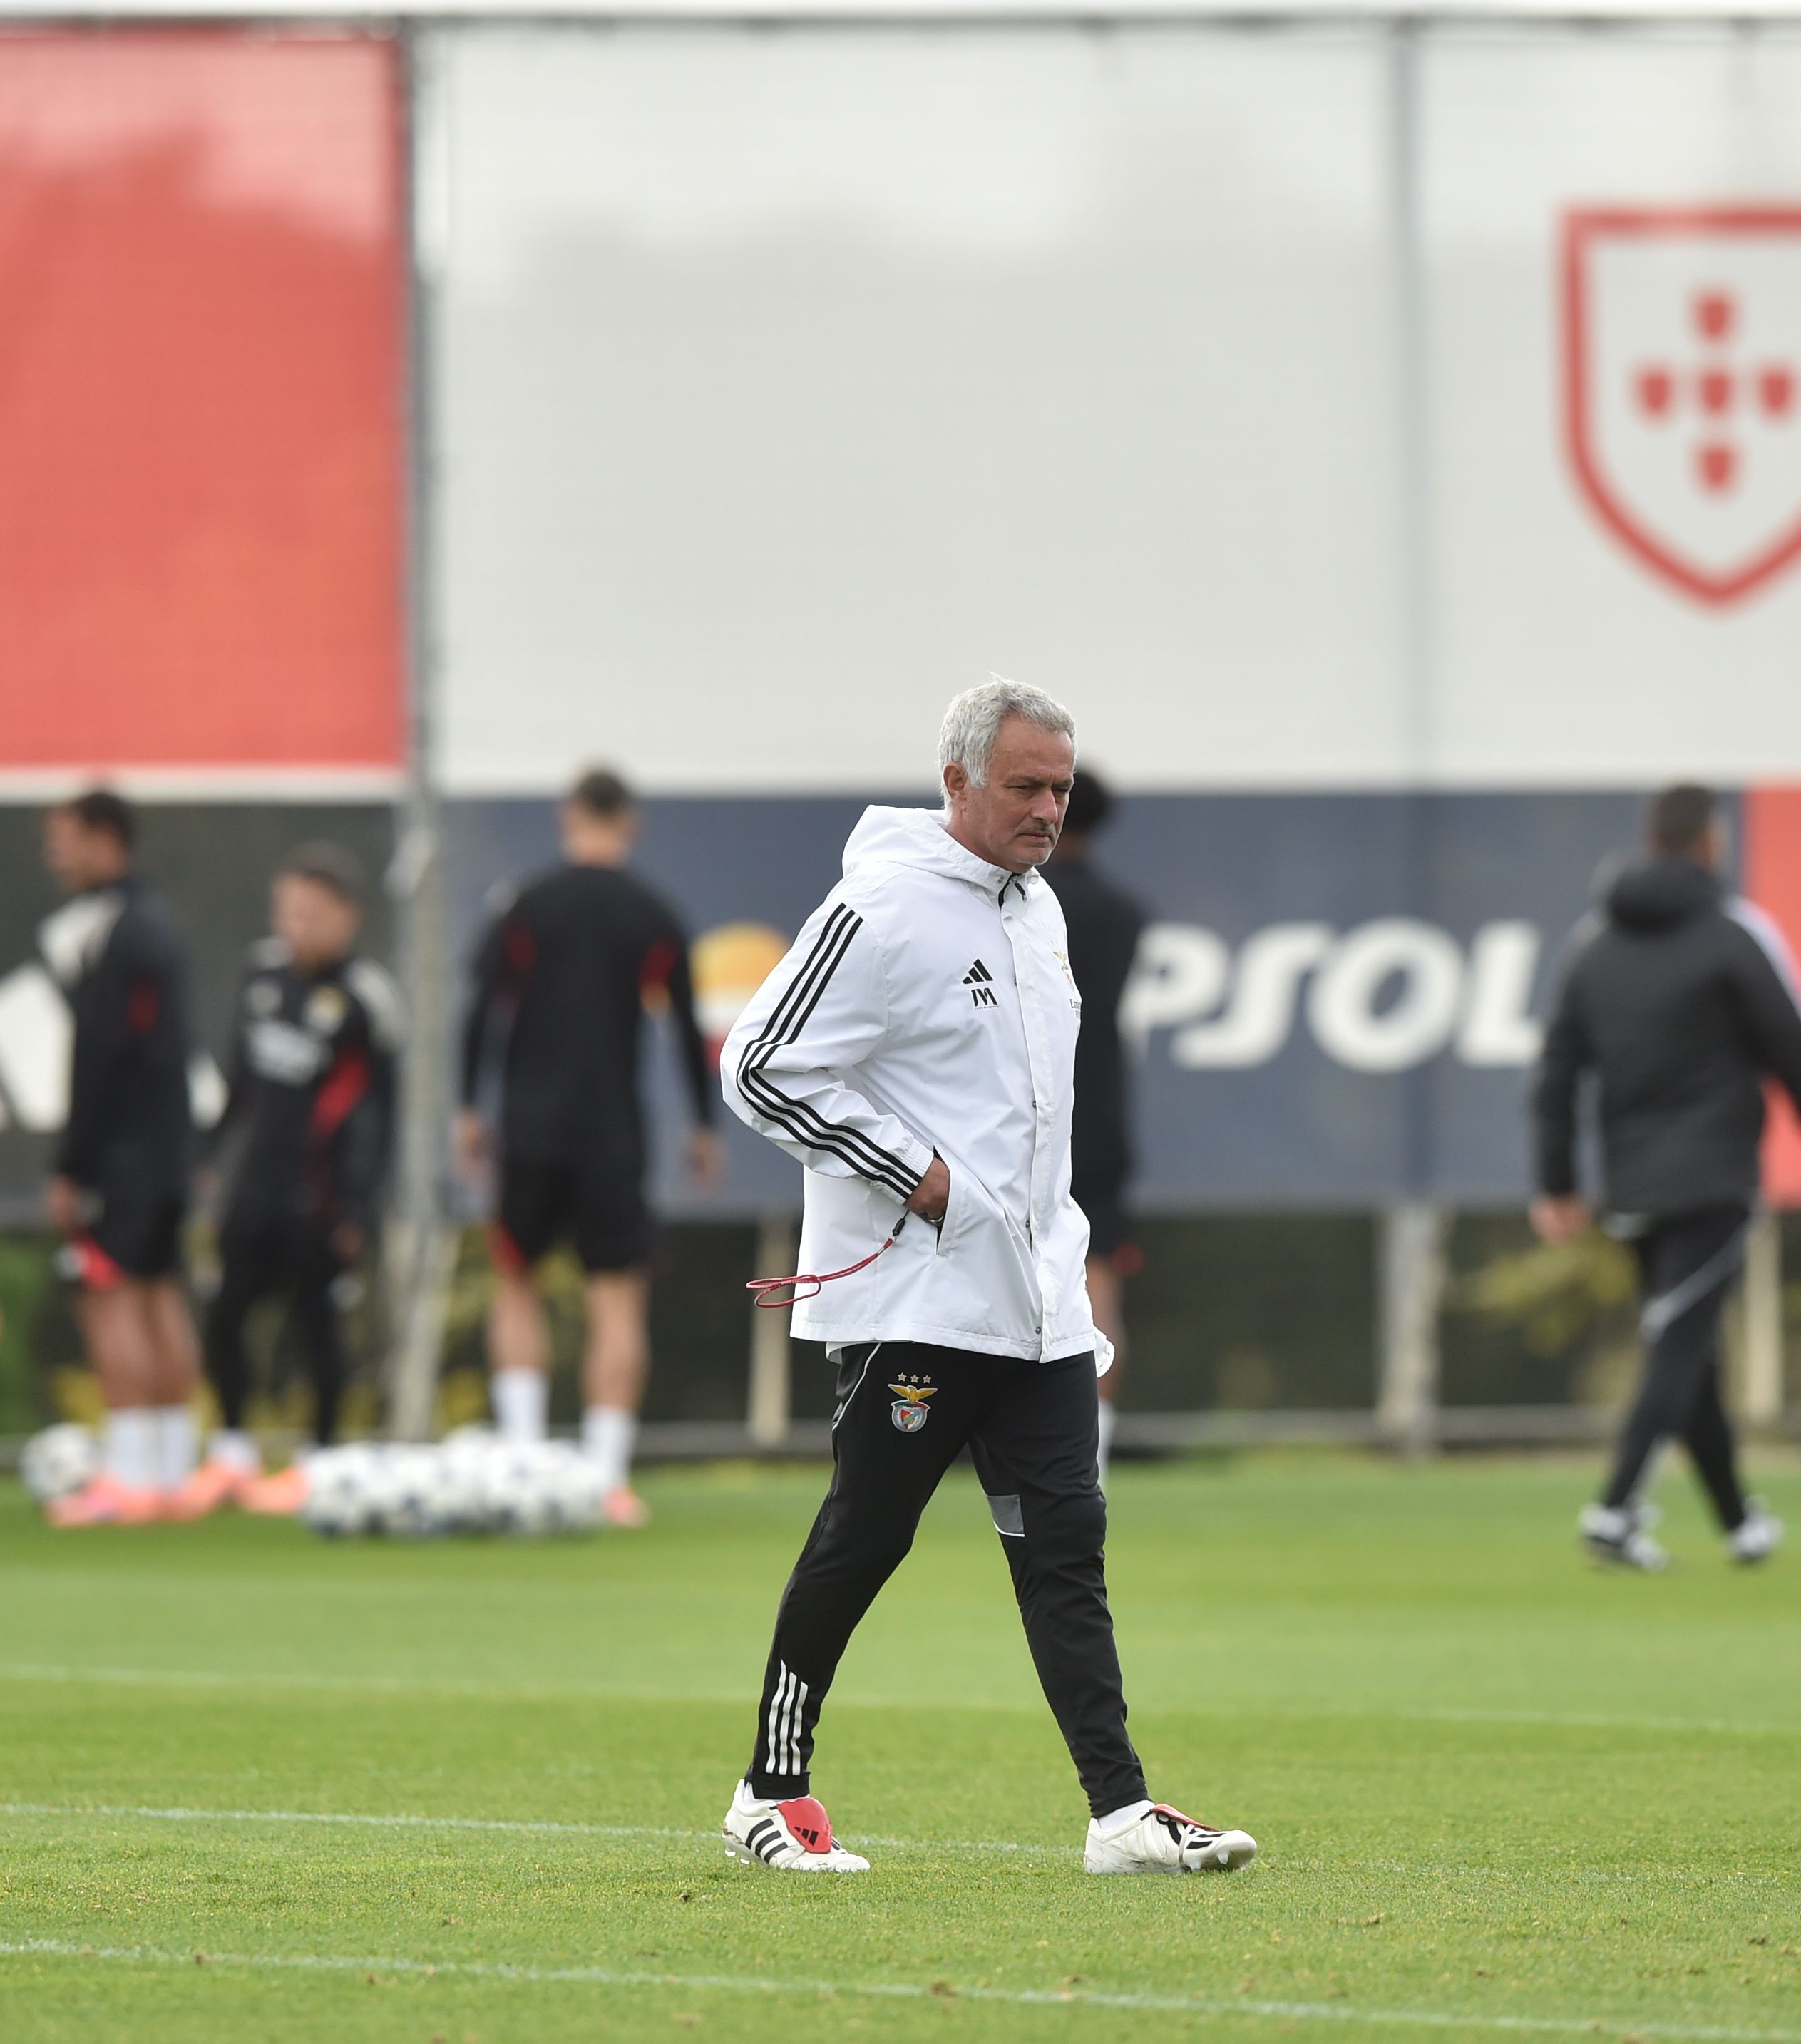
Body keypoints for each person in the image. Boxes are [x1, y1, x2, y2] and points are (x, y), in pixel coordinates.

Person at [714, 679, 1255, 1878]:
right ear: (956, 781)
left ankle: (1119, 1816)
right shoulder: (880, 906)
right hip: (916, 1296)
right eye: (1024, 786)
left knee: (1067, 1547)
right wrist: (916, 1176)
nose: (1047, 810)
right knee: (867, 1535)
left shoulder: (1038, 912)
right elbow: (757, 1067)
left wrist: (1039, 1242)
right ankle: (768, 1791)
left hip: (1038, 1303)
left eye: (1060, 788)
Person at [1529, 784, 1801, 1571]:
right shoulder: (1733, 935)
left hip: (1632, 1185)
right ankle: (1613, 1509)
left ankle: (1739, 1521)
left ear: (1651, 839)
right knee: (1679, 1344)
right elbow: (1794, 1050)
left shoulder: (1591, 944)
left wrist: (1557, 1180)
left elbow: (1553, 1073)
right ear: (1708, 842)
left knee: (1688, 1349)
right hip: (1712, 1180)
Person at [454, 766, 722, 1528]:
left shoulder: (527, 904)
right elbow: (682, 1025)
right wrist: (702, 1128)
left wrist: (470, 1107)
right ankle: (605, 1478)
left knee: (516, 1281)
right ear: (628, 822)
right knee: (617, 1300)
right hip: (612, 1133)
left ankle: (520, 1460)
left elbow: (482, 1010)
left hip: (531, 1127)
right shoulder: (652, 913)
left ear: (568, 816)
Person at [190, 843, 402, 1518]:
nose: (295, 926)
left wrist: (358, 1209)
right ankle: (231, 1454)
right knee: (225, 1317)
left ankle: (321, 1464)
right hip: (255, 1189)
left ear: (347, 917)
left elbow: (378, 1116)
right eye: (287, 912)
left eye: (311, 914)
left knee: (320, 1329)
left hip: (322, 1200)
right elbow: (238, 1082)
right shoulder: (263, 977)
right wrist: (209, 1154)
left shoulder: (367, 1001)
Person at [37, 789, 201, 1527]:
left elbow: (102, 1056)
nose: (55, 856)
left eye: (66, 840)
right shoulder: (156, 923)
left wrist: (72, 1163)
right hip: (166, 1150)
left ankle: (133, 1479)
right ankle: (170, 1476)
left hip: (124, 1156)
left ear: (107, 840)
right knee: (160, 1295)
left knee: (111, 1301)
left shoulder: (115, 932)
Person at [1040, 766, 1147, 1483]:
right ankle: (1092, 1452)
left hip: (1028, 1110)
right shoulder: (1121, 910)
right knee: (1094, 1272)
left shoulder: (1021, 900)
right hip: (1100, 1110)